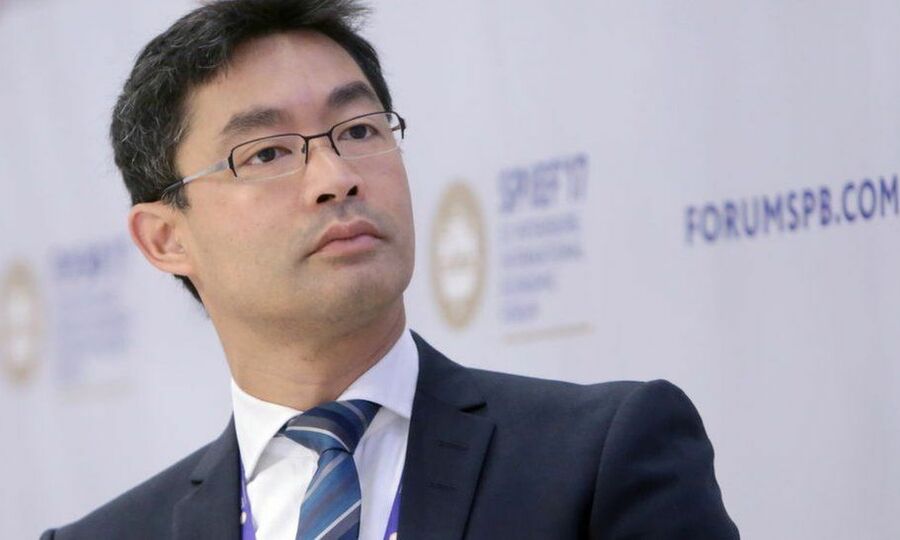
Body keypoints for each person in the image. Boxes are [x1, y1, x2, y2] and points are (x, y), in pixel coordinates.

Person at [42, 1, 739, 538]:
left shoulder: (596, 458)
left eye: (358, 131)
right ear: (165, 238)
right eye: (267, 153)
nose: (335, 177)